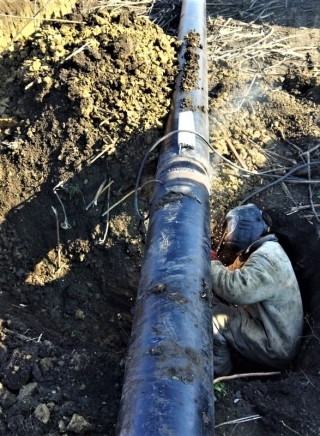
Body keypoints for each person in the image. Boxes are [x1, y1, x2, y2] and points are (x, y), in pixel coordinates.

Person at [210, 203, 303, 376]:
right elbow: (232, 275)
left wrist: (211, 265)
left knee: (214, 319)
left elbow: (234, 289)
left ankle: (219, 373)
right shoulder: (260, 250)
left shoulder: (266, 259)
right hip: (271, 330)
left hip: (275, 344)